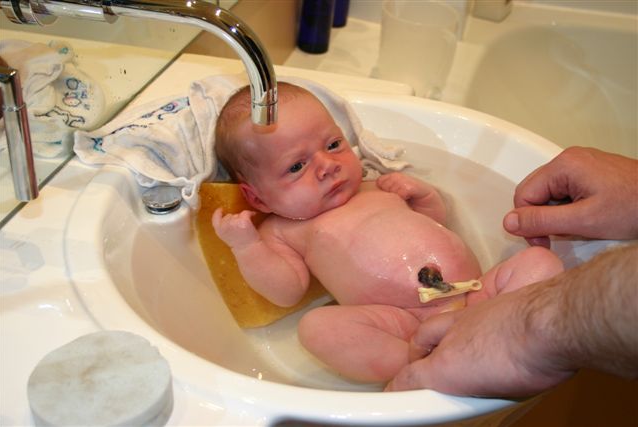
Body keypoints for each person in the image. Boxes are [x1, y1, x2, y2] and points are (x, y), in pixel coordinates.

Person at [211, 82, 564, 383]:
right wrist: (246, 246)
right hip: (406, 322)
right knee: (317, 328)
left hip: (477, 292)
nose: (327, 166)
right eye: (296, 166)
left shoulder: (373, 185)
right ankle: (422, 366)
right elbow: (286, 292)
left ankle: (506, 329)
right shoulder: (284, 231)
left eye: (333, 144)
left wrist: (424, 196)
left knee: (539, 262)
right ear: (257, 197)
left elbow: (437, 221)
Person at [387, 147, 638, 395]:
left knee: (539, 260)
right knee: (350, 335)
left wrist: (528, 323)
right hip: (398, 317)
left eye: (344, 144)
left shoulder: (380, 191)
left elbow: (435, 216)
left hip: (478, 293)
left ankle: (480, 339)